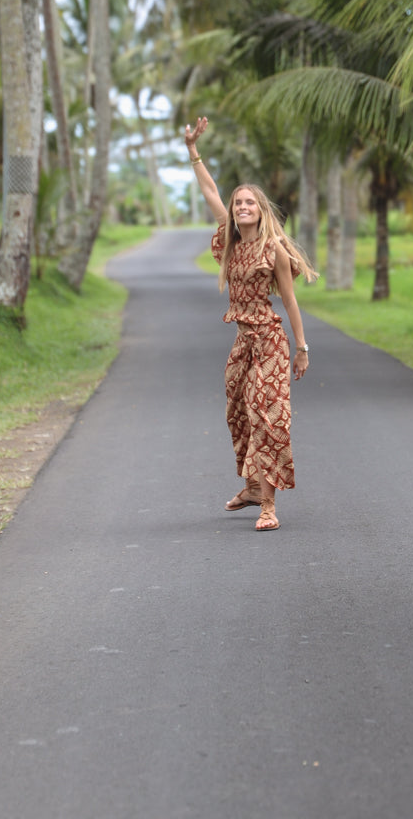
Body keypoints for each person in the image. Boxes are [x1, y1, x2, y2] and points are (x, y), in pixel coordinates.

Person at [185, 116, 317, 531]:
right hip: (243, 342)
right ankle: (252, 485)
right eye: (238, 203)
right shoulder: (229, 241)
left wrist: (301, 347)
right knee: (237, 413)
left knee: (266, 415)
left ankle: (269, 507)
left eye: (249, 203)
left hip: (271, 342)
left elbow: (291, 301)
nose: (242, 207)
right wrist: (192, 150)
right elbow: (209, 190)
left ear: (261, 211)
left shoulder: (273, 249)